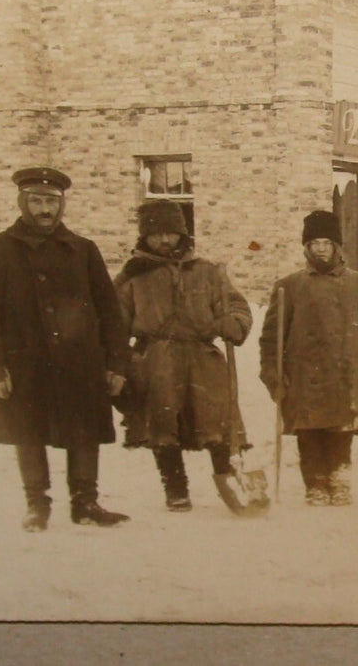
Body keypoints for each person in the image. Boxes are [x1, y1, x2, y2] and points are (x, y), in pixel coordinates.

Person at [0, 167, 131, 531]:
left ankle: (85, 502)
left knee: (84, 430)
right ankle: (37, 505)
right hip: (25, 363)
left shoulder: (82, 250)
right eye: (36, 201)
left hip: (80, 362)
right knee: (28, 432)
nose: (44, 210)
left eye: (51, 202)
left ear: (62, 205)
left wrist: (116, 362)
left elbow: (110, 312)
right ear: (22, 203)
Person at [114, 200, 254, 512]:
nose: (164, 241)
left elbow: (236, 305)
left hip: (202, 356)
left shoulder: (207, 272)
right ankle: (175, 487)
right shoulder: (132, 277)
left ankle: (231, 481)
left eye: (171, 234)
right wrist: (121, 362)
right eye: (156, 234)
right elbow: (113, 323)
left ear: (183, 235)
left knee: (219, 421)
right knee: (163, 426)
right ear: (144, 237)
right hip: (156, 358)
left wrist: (235, 321)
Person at [259, 210, 358, 506]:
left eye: (327, 242)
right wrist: (272, 372)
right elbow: (271, 337)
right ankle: (315, 484)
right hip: (303, 372)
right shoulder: (288, 286)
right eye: (315, 243)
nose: (321, 248)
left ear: (337, 246)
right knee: (307, 431)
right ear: (306, 247)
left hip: (346, 371)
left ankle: (339, 480)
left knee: (341, 430)